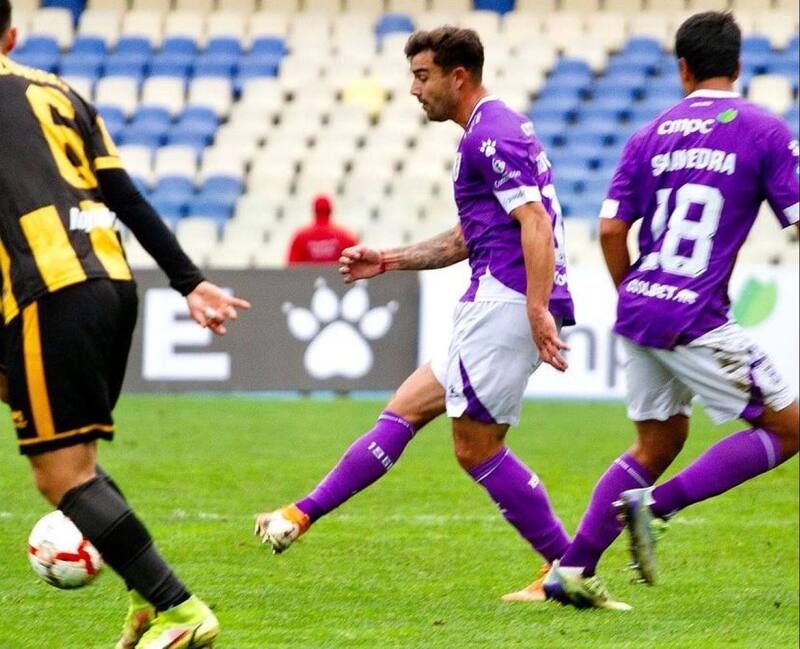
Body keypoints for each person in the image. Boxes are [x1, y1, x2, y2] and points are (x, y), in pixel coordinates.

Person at [256, 26, 578, 601]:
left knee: (475, 448)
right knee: (403, 410)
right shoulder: (488, 131)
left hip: (503, 302)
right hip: (493, 296)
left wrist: (534, 309)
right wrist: (389, 259)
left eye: (422, 76)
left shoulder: (492, 134)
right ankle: (299, 515)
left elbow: (536, 222)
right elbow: (467, 237)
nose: (413, 89)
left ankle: (567, 565)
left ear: (458, 77)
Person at [0, 2, 250, 647]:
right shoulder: (58, 91)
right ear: (11, 35)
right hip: (110, 282)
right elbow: (125, 194)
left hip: (50, 289)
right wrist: (189, 281)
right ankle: (146, 592)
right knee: (67, 455)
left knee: (62, 474)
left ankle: (181, 610)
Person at [543, 11, 799, 610]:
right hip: (697, 317)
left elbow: (610, 228)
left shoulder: (649, 133)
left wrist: (631, 287)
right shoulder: (765, 130)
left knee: (656, 444)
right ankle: (654, 507)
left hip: (640, 310)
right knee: (789, 429)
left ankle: (573, 570)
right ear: (738, 66)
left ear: (682, 68)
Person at [286, 194, 358, 265]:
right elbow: (355, 264)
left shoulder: (300, 237)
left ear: (314, 210)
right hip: (337, 276)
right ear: (331, 210)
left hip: (308, 276)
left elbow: (291, 268)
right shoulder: (346, 236)